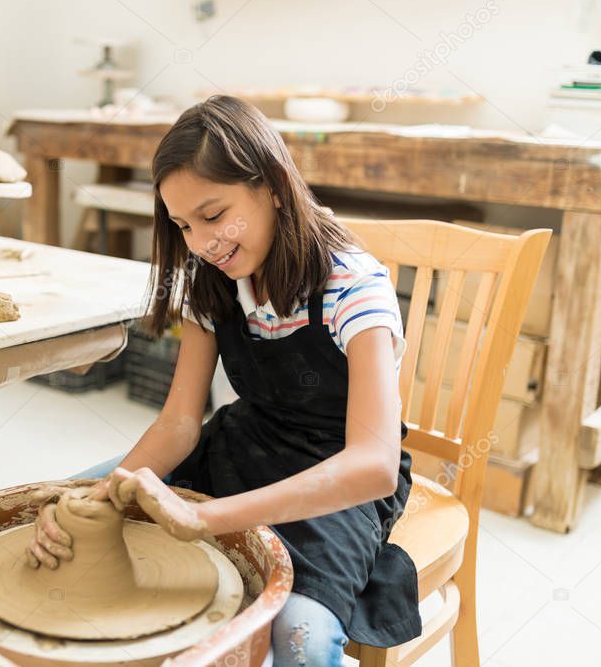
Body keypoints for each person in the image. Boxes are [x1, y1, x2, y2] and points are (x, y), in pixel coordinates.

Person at [27, 95, 421, 666]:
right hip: (241, 443)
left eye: (214, 216)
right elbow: (180, 423)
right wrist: (96, 497)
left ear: (276, 187)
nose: (201, 243)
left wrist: (205, 518)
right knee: (63, 509)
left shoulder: (352, 285)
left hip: (336, 479)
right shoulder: (212, 282)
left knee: (302, 643)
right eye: (184, 225)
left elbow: (375, 465)